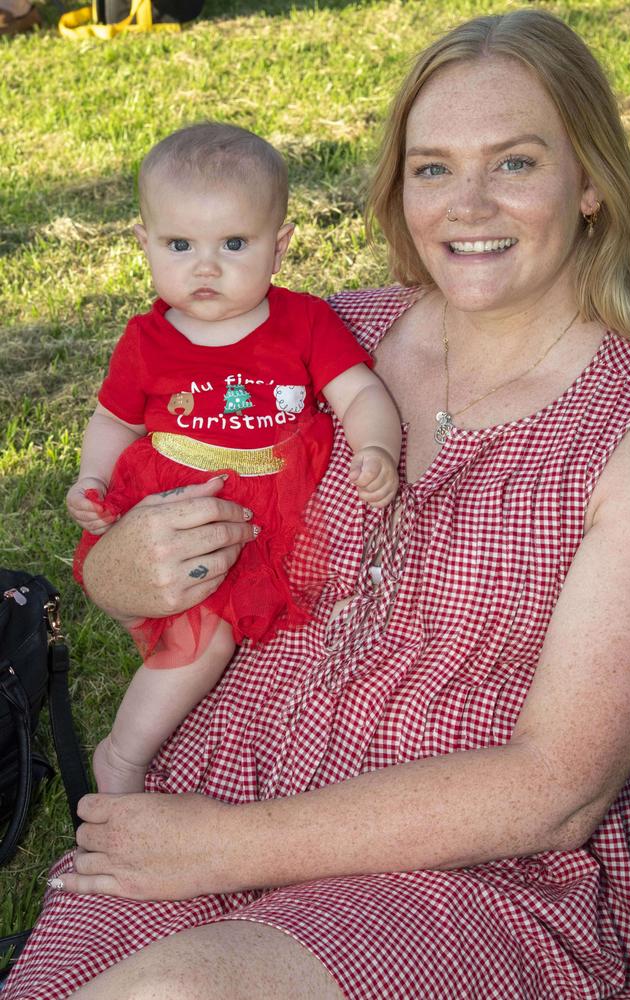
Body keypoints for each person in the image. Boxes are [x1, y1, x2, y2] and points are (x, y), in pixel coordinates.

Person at [5, 7, 630, 998]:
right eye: (432, 168)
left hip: (462, 863)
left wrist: (226, 851)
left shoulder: (628, 425)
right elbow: (157, 569)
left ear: (591, 183)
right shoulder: (317, 339)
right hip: (216, 785)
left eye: (514, 163)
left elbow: (555, 790)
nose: (466, 205)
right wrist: (121, 569)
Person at [65, 122, 401, 795]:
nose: (206, 267)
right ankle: (123, 757)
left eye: (235, 244)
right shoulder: (148, 339)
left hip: (271, 513)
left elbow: (361, 390)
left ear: (279, 248)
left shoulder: (302, 321)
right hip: (180, 510)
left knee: (252, 637)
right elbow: (112, 418)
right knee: (202, 640)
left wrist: (375, 446)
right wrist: (93, 476)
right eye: (180, 244)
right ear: (145, 244)